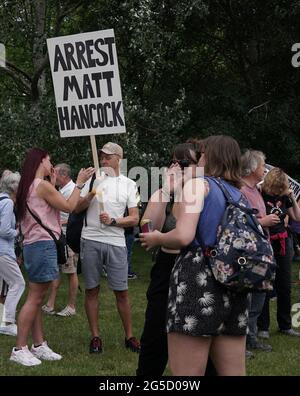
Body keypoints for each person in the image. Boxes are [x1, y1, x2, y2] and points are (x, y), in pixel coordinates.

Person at [140, 135, 249, 376]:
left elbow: (184, 235)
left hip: (198, 281)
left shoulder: (198, 186)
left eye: (199, 156)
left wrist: (157, 238)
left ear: (208, 157)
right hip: (233, 281)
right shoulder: (237, 193)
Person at [11, 148, 93, 366]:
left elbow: (45, 207)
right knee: (35, 298)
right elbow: (69, 206)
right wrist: (79, 184)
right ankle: (19, 348)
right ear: (41, 161)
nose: (52, 164)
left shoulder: (29, 187)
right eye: (49, 161)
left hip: (32, 245)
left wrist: (54, 183)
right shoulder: (42, 186)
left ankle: (38, 345)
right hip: (43, 245)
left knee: (36, 297)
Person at [137, 142, 206, 376]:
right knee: (154, 336)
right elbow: (147, 231)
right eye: (174, 162)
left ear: (200, 165)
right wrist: (166, 191)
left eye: (185, 163)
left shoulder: (204, 191)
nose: (178, 167)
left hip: (197, 270)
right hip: (166, 268)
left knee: (195, 335)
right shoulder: (165, 192)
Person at [76, 142, 140, 354]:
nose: (103, 160)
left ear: (118, 159)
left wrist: (113, 221)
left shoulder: (129, 184)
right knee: (92, 289)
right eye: (101, 156)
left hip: (116, 242)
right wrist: (91, 194)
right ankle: (95, 337)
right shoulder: (94, 179)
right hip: (91, 239)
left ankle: (129, 336)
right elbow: (76, 208)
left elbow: (134, 219)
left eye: (107, 157)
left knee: (121, 292)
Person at [240, 150, 280, 353]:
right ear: (253, 167)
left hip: (262, 251)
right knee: (246, 298)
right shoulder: (240, 190)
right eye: (263, 165)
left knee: (259, 296)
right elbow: (239, 220)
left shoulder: (255, 190)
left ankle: (252, 337)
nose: (265, 169)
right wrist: (263, 222)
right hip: (248, 252)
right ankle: (242, 340)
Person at [257, 167, 300, 338]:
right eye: (275, 189)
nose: (276, 192)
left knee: (284, 285)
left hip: (283, 241)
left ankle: (285, 325)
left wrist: (292, 198)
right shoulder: (261, 194)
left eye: (279, 189)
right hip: (266, 240)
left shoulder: (284, 196)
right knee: (265, 283)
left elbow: (297, 217)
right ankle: (263, 327)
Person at [42, 163, 79, 317]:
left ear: (63, 175)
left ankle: (71, 306)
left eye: (55, 173)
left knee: (71, 272)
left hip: (68, 237)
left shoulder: (72, 190)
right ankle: (50, 304)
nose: (53, 176)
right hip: (59, 237)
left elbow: (74, 215)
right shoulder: (61, 190)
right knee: (56, 271)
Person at [0, 172, 25, 336]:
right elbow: (3, 230)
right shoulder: (8, 203)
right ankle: (8, 322)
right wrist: (17, 232)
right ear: (14, 187)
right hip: (3, 249)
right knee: (18, 283)